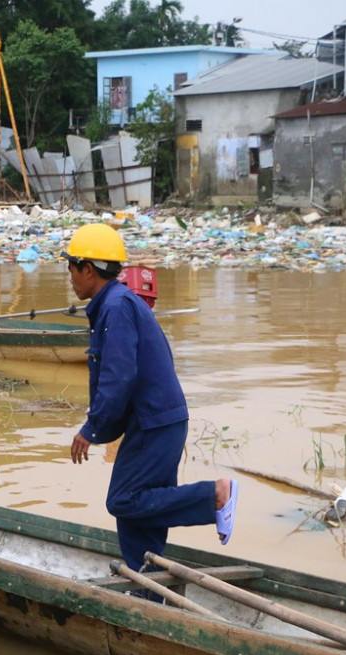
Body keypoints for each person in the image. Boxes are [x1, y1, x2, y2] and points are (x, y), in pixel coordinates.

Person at [62, 223, 238, 598]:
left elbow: (119, 376)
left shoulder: (116, 307)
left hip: (154, 423)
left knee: (122, 500)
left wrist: (91, 430)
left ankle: (216, 495)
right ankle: (148, 593)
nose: (70, 277)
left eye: (71, 268)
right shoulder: (117, 304)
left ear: (88, 269)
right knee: (136, 517)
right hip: (158, 421)